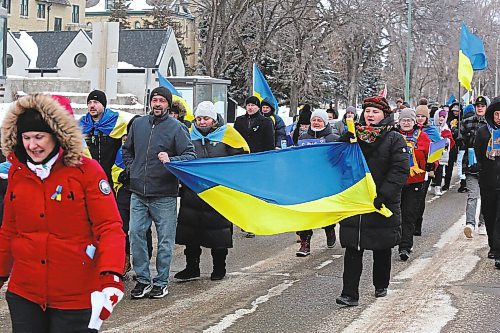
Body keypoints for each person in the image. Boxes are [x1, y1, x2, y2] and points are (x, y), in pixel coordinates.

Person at [0, 94, 125, 332]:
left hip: (74, 296)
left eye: (39, 137)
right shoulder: (18, 173)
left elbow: (109, 227)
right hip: (25, 293)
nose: (32, 145)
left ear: (57, 136)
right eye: (26, 138)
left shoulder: (86, 172)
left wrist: (111, 278)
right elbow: (9, 230)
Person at [123, 86, 196, 299]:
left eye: (162, 101)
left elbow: (190, 155)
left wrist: (171, 160)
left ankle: (161, 281)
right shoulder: (138, 124)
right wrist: (131, 169)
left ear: (168, 104)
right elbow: (127, 150)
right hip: (138, 191)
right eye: (154, 100)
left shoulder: (176, 128)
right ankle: (143, 280)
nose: (157, 104)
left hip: (164, 194)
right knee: (136, 234)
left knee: (165, 240)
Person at [336, 96, 409, 306]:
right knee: (353, 247)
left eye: (375, 112)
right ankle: (349, 293)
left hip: (381, 202)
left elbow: (400, 169)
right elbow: (337, 160)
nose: (370, 115)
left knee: (382, 247)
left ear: (385, 115)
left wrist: (383, 195)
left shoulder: (394, 139)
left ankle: (380, 284)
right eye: (367, 111)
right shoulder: (353, 136)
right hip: (356, 202)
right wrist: (345, 139)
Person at [175, 101, 248, 282]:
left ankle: (219, 267)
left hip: (218, 193)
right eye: (199, 118)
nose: (202, 122)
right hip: (192, 193)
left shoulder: (228, 134)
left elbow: (242, 159)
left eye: (206, 118)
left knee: (219, 233)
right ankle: (192, 267)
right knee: (191, 233)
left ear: (214, 120)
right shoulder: (187, 135)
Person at [111, 115, 153, 276]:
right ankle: (124, 260)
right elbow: (115, 169)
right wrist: (122, 175)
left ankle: (145, 262)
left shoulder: (149, 147)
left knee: (143, 229)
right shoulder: (123, 150)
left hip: (143, 190)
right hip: (124, 191)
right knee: (122, 228)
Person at [295, 110, 339, 257]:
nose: (316, 123)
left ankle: (329, 228)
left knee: (324, 211)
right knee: (305, 212)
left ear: (325, 122)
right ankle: (304, 244)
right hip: (306, 182)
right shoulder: (302, 138)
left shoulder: (333, 138)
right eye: (314, 120)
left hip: (325, 182)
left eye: (319, 120)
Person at [234, 96, 275, 238]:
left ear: (258, 107)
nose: (250, 107)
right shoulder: (239, 121)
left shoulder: (266, 122)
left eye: (253, 105)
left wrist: (267, 162)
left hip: (258, 162)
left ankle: (254, 222)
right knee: (243, 193)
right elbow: (234, 140)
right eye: (248, 105)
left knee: (255, 193)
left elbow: (269, 144)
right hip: (242, 161)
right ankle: (245, 221)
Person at [396, 108, 431, 260]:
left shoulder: (422, 136)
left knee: (409, 214)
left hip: (415, 180)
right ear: (399, 121)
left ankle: (405, 247)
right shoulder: (394, 136)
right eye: (403, 120)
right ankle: (393, 240)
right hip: (395, 180)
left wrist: (432, 165)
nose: (406, 123)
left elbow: (432, 153)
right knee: (395, 214)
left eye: (409, 120)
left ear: (414, 122)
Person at [80, 90, 124, 190]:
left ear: (103, 105)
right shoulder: (82, 125)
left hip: (111, 178)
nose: (92, 106)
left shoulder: (117, 122)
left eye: (96, 102)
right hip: (89, 178)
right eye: (89, 103)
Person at [474, 96, 500, 265]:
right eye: (497, 114)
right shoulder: (484, 131)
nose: (499, 117)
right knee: (490, 215)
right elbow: (479, 154)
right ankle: (493, 245)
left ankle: (499, 252)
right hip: (489, 180)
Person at [461, 96, 489, 238]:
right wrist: (458, 137)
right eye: (478, 105)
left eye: (482, 105)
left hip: (486, 166)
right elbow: (461, 142)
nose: (480, 108)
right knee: (472, 195)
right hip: (471, 165)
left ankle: (483, 223)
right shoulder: (467, 122)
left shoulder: (492, 124)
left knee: (485, 196)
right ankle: (470, 224)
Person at [432, 109, 455, 196]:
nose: (441, 118)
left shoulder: (446, 129)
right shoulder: (432, 127)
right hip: (431, 152)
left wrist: (444, 140)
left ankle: (438, 186)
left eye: (443, 117)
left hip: (441, 153)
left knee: (439, 169)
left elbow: (450, 140)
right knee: (430, 169)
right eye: (440, 116)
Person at [444, 102, 466, 192]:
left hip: (460, 144)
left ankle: (463, 184)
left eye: (457, 111)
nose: (455, 113)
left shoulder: (463, 120)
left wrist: (455, 129)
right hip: (451, 144)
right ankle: (446, 183)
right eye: (454, 111)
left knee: (461, 165)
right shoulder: (449, 119)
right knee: (449, 165)